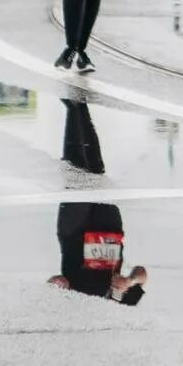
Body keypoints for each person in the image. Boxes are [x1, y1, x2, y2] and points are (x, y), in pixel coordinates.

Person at [46, 100, 147, 303]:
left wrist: (58, 284)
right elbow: (142, 274)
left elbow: (57, 283)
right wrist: (130, 281)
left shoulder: (73, 306)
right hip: (108, 228)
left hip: (75, 233)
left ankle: (73, 109)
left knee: (77, 173)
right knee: (96, 170)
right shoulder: (122, 304)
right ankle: (81, 108)